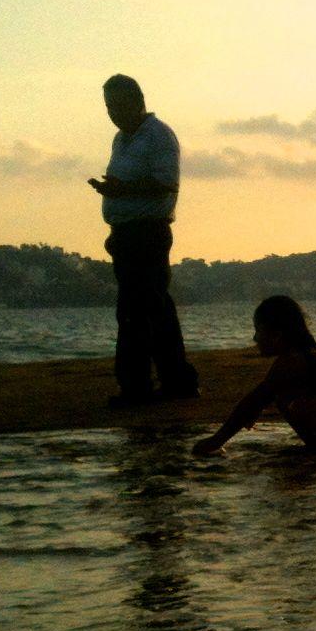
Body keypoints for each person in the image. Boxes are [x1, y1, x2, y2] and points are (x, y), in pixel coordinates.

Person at [87, 73, 199, 407]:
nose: (113, 112)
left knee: (137, 311)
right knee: (153, 309)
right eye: (109, 106)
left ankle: (138, 386)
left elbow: (167, 183)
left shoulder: (158, 136)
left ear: (139, 100)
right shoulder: (121, 139)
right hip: (127, 233)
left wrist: (121, 190)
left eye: (119, 104)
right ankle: (175, 380)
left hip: (147, 232)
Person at [192, 295, 316, 456]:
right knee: (285, 397)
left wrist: (215, 441)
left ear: (277, 334)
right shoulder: (306, 355)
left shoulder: (293, 360)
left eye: (258, 331)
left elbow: (254, 400)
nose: (254, 338)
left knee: (297, 404)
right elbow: (260, 400)